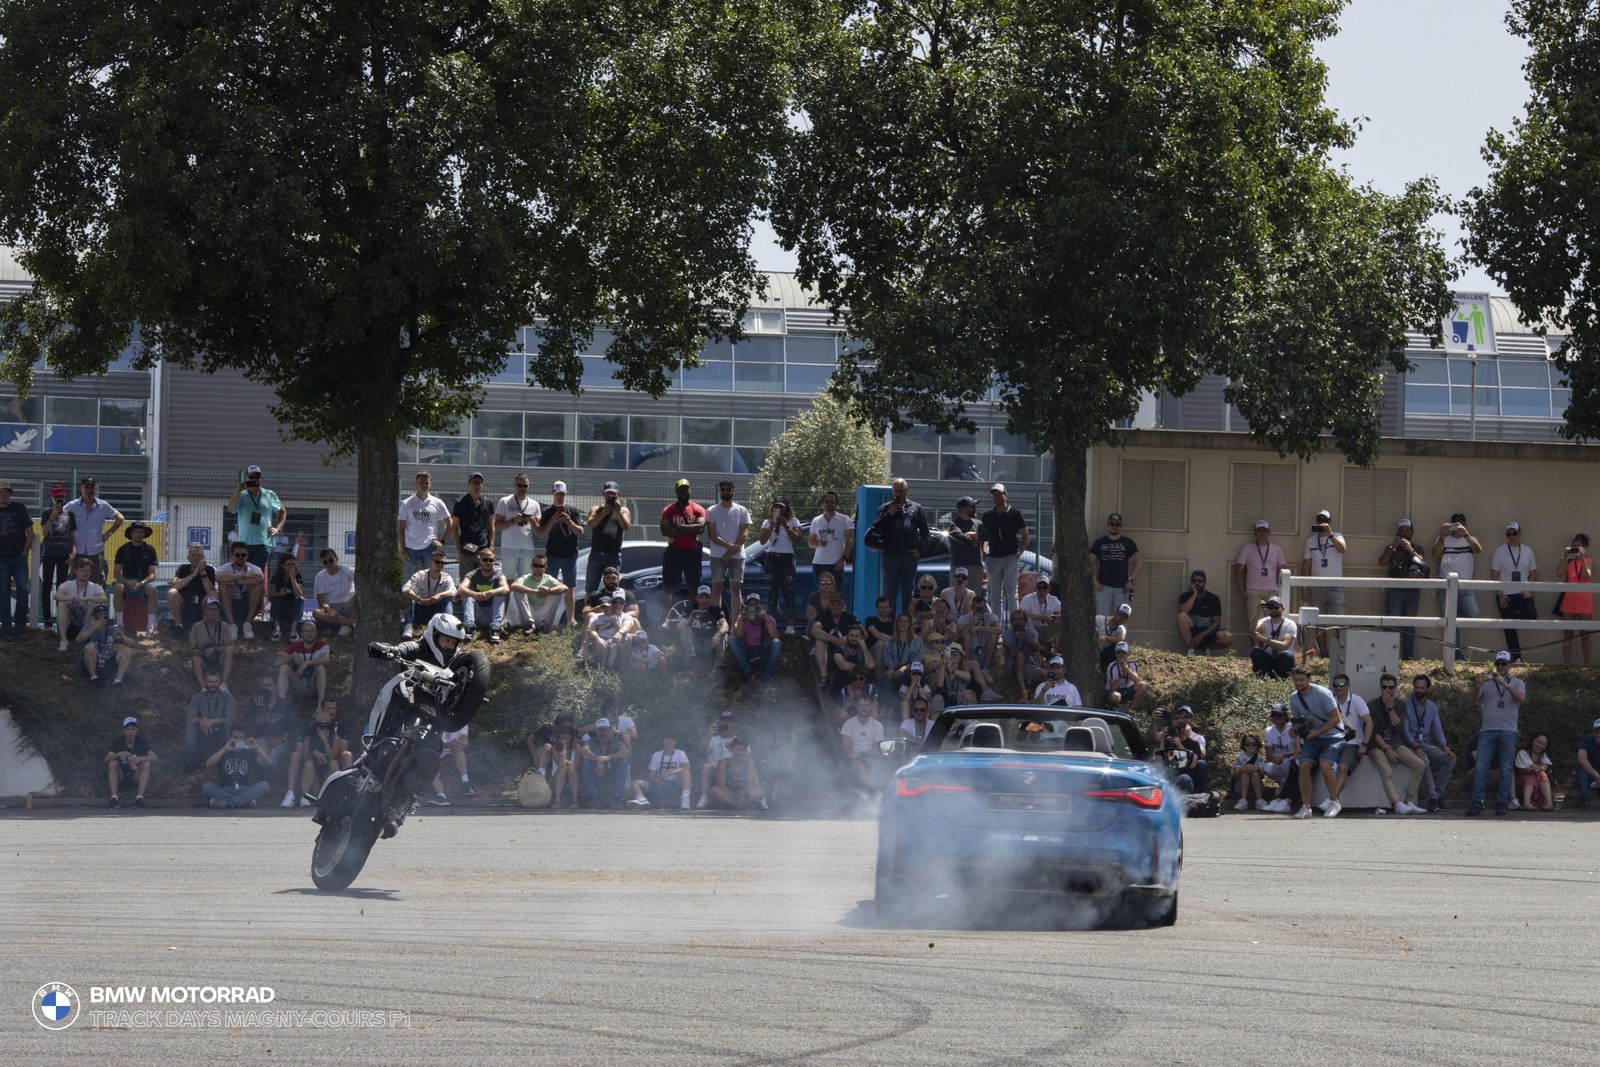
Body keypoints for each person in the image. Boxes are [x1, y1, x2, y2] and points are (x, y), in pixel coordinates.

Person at [1467, 651, 1526, 816]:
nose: (1500, 667)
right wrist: (1478, 684)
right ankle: (1477, 803)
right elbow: (1471, 699)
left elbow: (1521, 698)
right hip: (1487, 731)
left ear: (1510, 665)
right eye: (1498, 663)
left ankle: (1501, 803)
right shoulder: (1487, 683)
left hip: (1509, 731)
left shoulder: (1518, 682)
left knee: (1506, 768)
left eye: (1503, 663)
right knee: (1481, 768)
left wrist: (1505, 685)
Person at [396, 470, 450, 636]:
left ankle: (434, 623)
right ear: (416, 483)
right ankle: (408, 623)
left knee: (432, 584)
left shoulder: (437, 502)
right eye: (421, 482)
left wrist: (442, 542)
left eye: (426, 482)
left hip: (429, 549)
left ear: (430, 483)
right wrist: (402, 548)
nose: (424, 485)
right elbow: (401, 527)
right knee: (408, 585)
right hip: (411, 549)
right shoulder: (407, 503)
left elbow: (450, 522)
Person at [1366, 673, 1429, 814]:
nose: (1387, 690)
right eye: (1384, 687)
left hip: (1395, 742)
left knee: (1420, 764)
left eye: (1390, 687)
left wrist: (1390, 708)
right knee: (1387, 771)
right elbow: (1373, 732)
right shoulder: (1372, 705)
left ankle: (1408, 801)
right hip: (1377, 745)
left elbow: (1397, 726)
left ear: (1395, 688)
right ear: (1380, 687)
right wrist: (1386, 749)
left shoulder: (1401, 704)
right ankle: (1396, 803)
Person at [1289, 665, 1345, 819]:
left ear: (1309, 679)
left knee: (1325, 765)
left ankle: (1334, 801)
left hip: (1333, 735)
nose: (1298, 683)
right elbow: (1297, 721)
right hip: (1312, 737)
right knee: (1304, 766)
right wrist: (1294, 731)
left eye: (1301, 680)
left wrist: (1318, 732)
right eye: (1295, 680)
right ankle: (1306, 807)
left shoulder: (1323, 694)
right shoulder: (1294, 697)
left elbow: (1336, 718)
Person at [870, 477, 929, 615]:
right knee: (890, 591)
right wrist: (889, 514)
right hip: (890, 555)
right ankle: (889, 622)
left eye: (901, 490)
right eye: (896, 490)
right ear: (892, 491)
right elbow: (877, 528)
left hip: (909, 556)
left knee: (908, 592)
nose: (898, 493)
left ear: (907, 490)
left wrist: (920, 550)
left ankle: (906, 621)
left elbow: (925, 532)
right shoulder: (885, 508)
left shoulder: (916, 508)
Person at [494, 473, 544, 632]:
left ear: (529, 486)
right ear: (514, 485)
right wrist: (512, 521)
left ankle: (528, 621)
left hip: (527, 548)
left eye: (525, 485)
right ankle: (503, 618)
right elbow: (496, 525)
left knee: (525, 584)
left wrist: (531, 521)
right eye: (519, 485)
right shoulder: (505, 501)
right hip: (509, 547)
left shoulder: (534, 504)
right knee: (507, 583)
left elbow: (538, 531)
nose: (522, 488)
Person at [1431, 512, 1483, 661]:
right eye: (1454, 522)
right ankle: (1456, 655)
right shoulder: (1443, 539)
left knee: (1472, 614)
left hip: (1465, 584)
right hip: (1445, 583)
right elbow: (1435, 555)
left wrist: (1465, 534)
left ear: (1465, 524)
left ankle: (1453, 618)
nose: (1457, 525)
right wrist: (1442, 536)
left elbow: (1478, 550)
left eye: (1460, 522)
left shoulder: (1471, 539)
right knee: (1449, 620)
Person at [283, 700, 352, 808]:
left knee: (333, 763)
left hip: (326, 774)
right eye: (321, 726)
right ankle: (303, 796)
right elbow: (304, 757)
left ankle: (338, 795)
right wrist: (314, 753)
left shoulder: (335, 738)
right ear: (316, 726)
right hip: (313, 776)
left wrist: (325, 741)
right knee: (309, 763)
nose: (324, 729)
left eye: (327, 726)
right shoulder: (309, 737)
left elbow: (333, 756)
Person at [1403, 674, 1456, 811]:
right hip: (1410, 745)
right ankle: (1432, 798)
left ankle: (1437, 795)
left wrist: (1445, 747)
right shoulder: (1406, 705)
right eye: (1416, 687)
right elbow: (1405, 730)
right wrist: (1416, 746)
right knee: (1424, 760)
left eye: (1421, 688)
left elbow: (1437, 728)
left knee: (1450, 759)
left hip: (1425, 744)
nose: (1418, 690)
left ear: (1428, 689)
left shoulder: (1432, 707)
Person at [1378, 519, 1429, 661]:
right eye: (1401, 530)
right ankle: (1388, 656)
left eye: (1407, 530)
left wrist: (1410, 549)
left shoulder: (1418, 548)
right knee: (1391, 624)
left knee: (1409, 624)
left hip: (1412, 590)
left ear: (1412, 532)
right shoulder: (1391, 547)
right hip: (1394, 589)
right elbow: (1382, 562)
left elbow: (1422, 563)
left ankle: (1408, 656)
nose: (1404, 533)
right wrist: (1393, 547)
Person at [536, 481, 585, 624]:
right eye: (557, 494)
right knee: (549, 588)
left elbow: (580, 532)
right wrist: (552, 520)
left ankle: (571, 619)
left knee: (569, 588)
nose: (559, 497)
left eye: (562, 494)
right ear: (552, 493)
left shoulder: (573, 510)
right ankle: (545, 619)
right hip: (552, 555)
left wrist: (569, 522)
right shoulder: (546, 512)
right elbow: (541, 534)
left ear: (565, 494)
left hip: (569, 554)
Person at [1489, 521, 1538, 663]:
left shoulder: (1528, 551)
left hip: (1523, 593)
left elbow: (1533, 573)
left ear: (1519, 534)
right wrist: (1500, 593)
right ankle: (1517, 658)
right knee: (1509, 628)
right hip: (1506, 595)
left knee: (1531, 615)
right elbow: (1494, 574)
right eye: (1509, 534)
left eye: (1514, 533)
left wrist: (1529, 589)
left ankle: (1512, 618)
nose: (1512, 537)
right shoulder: (1499, 551)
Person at [1301, 509, 1347, 657]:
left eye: (1325, 520)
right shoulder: (1311, 541)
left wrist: (1330, 534)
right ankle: (1324, 654)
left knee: (1340, 620)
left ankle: (1340, 652)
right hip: (1317, 586)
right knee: (1319, 622)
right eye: (1319, 520)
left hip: (1335, 585)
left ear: (1330, 522)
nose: (1322, 523)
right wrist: (1304, 585)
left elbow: (1342, 549)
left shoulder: (1337, 536)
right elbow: (1306, 564)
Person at [659, 477, 707, 617]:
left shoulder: (697, 509)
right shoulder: (669, 510)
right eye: (680, 490)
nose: (683, 492)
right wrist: (689, 530)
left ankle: (694, 616)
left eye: (686, 489)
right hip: (674, 551)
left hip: (692, 552)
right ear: (676, 491)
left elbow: (700, 528)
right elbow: (664, 530)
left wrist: (677, 527)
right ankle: (664, 618)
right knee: (667, 586)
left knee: (693, 586)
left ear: (690, 491)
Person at [980, 483, 1030, 618]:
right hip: (993, 558)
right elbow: (984, 535)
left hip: (1010, 557)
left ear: (1006, 495)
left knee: (1012, 593)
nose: (996, 497)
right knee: (994, 594)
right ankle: (996, 626)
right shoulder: (988, 515)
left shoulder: (1015, 514)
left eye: (999, 494)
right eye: (994, 495)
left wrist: (1019, 553)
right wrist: (984, 552)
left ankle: (1016, 623)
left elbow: (1026, 537)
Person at [64, 475, 123, 584]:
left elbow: (120, 518)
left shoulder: (103, 505)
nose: (89, 490)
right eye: (86, 487)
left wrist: (108, 534)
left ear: (95, 489)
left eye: (91, 487)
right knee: (75, 582)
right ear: (81, 488)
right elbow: (60, 518)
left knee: (96, 582)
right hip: (77, 551)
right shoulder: (72, 505)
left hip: (96, 550)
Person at [226, 465, 286, 569]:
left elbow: (282, 512)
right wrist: (239, 489)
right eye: (251, 477)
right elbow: (231, 509)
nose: (255, 479)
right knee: (243, 572)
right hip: (244, 544)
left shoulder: (269, 494)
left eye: (257, 476)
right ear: (246, 478)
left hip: (263, 543)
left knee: (257, 573)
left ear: (261, 478)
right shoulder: (241, 495)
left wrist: (278, 528)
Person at [450, 471, 497, 601]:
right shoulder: (460, 502)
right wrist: (459, 548)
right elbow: (454, 526)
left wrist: (491, 546)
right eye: (474, 483)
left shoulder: (488, 502)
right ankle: (468, 612)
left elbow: (492, 526)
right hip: (466, 550)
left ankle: (482, 610)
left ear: (483, 485)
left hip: (483, 551)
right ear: (469, 484)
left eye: (479, 483)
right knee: (466, 584)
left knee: (483, 584)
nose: (476, 485)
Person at [706, 480, 751, 614]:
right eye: (723, 489)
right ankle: (718, 621)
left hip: (737, 556)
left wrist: (730, 552)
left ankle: (735, 623)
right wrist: (728, 546)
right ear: (719, 492)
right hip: (717, 556)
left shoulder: (742, 510)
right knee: (716, 590)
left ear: (733, 491)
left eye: (728, 489)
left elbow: (744, 534)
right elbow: (712, 535)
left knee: (736, 590)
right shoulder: (711, 511)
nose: (725, 492)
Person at [203, 724, 274, 809]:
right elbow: (208, 764)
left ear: (245, 738)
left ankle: (229, 803)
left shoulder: (249, 751)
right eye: (236, 737)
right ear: (230, 737)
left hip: (244, 789)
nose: (239, 740)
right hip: (226, 789)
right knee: (206, 787)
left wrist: (257, 747)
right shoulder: (224, 749)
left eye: (241, 737)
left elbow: (269, 763)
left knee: (264, 785)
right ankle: (243, 802)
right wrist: (225, 749)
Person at [757, 495, 801, 631]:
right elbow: (762, 541)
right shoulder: (767, 522)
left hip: (787, 558)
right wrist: (771, 525)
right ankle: (772, 624)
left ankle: (790, 626)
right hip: (772, 557)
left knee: (788, 590)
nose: (779, 510)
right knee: (772, 591)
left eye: (781, 507)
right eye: (776, 507)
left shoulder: (793, 521)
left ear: (786, 509)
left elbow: (798, 539)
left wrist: (785, 525)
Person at [244, 669, 297, 781]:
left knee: (273, 755)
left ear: (275, 686)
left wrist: (281, 739)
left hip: (282, 739)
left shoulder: (285, 704)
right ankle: (265, 782)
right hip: (263, 737)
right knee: (262, 755)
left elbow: (292, 728)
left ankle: (266, 782)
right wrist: (261, 709)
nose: (266, 688)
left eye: (269, 685)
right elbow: (259, 725)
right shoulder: (256, 704)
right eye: (263, 685)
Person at [1235, 520, 1287, 633]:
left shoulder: (1277, 549)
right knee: (1255, 625)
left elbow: (1283, 570)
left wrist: (1282, 591)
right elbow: (1239, 570)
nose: (1262, 533)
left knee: (1273, 623)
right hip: (1253, 591)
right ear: (1255, 532)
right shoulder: (1247, 548)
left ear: (1269, 532)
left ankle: (1270, 644)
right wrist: (1242, 589)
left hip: (1272, 591)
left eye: (1264, 530)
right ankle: (1256, 644)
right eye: (1259, 530)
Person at [0, 478, 34, 641]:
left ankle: (21, 627)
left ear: (10, 494)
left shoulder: (19, 508)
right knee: (3, 592)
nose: (3, 494)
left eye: (5, 491)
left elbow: (31, 533)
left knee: (23, 590)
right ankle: (6, 627)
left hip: (19, 557)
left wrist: (24, 552)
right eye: (0, 491)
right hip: (1, 559)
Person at [37, 483, 74, 634]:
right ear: (51, 498)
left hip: (64, 554)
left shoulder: (70, 514)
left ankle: (61, 621)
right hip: (49, 553)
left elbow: (72, 535)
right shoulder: (46, 513)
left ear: (65, 497)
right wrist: (52, 516)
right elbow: (44, 533)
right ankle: (47, 621)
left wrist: (73, 552)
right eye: (56, 497)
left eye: (61, 497)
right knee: (46, 586)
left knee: (62, 587)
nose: (59, 500)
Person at [1090, 512, 1141, 617]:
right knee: (1101, 618)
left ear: (1120, 526)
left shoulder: (1128, 542)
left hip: (1122, 588)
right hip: (1103, 587)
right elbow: (1088, 561)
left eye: (1117, 524)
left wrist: (1130, 580)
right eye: (1111, 524)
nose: (1114, 526)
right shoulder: (1100, 542)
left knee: (1121, 618)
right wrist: (1095, 581)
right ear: (1107, 525)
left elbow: (1138, 562)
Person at [1329, 673, 1370, 800]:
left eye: (1341, 684)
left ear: (1348, 685)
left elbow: (1369, 723)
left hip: (1352, 744)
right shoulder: (1330, 702)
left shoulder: (1357, 701)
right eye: (1335, 685)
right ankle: (1333, 802)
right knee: (1324, 766)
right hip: (1333, 743)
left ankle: (1332, 799)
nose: (1338, 687)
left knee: (1343, 767)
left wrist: (1364, 744)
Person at [185, 669, 236, 771]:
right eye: (210, 682)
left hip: (221, 730)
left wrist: (213, 721)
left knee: (229, 725)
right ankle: (191, 760)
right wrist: (202, 720)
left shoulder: (227, 697)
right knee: (190, 726)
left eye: (216, 682)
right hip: (204, 731)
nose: (213, 685)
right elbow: (190, 718)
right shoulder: (197, 697)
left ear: (220, 682)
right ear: (205, 682)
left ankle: (230, 758)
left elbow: (230, 718)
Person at [585, 480, 631, 592]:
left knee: (612, 587)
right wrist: (603, 512)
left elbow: (625, 526)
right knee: (590, 589)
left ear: (618, 494)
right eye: (608, 493)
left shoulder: (623, 510)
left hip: (613, 555)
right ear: (603, 494)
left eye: (613, 493)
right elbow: (591, 524)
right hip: (596, 554)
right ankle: (589, 604)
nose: (610, 496)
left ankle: (612, 603)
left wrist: (618, 512)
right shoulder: (596, 509)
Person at [626, 733, 694, 809]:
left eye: (672, 739)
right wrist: (656, 780)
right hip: (659, 785)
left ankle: (685, 800)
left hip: (675, 784)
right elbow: (651, 776)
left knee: (686, 773)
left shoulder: (680, 753)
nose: (669, 741)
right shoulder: (656, 755)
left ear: (675, 741)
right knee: (635, 783)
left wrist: (670, 772)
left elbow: (688, 767)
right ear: (662, 741)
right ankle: (642, 800)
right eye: (667, 739)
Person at [455, 547, 509, 642]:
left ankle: (495, 629)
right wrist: (475, 594)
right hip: (477, 614)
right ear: (480, 560)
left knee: (500, 594)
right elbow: (461, 589)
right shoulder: (472, 574)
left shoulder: (499, 574)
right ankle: (469, 627)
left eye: (490, 560)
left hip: (492, 614)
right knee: (467, 594)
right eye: (485, 560)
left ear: (494, 561)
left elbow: (506, 588)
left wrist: (491, 592)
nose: (488, 562)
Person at [54, 556, 106, 652]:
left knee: (96, 604)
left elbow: (104, 599)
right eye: (82, 570)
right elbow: (56, 595)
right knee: (62, 604)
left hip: (87, 625)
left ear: (91, 572)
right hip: (69, 626)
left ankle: (92, 640)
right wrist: (74, 598)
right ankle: (63, 640)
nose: (85, 573)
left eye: (87, 571)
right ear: (76, 570)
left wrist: (86, 599)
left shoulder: (95, 586)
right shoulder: (68, 584)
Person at [215, 541, 265, 640]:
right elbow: (218, 577)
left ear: (247, 556)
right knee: (223, 586)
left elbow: (260, 578)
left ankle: (247, 624)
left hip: (248, 604)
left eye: (243, 555)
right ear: (232, 556)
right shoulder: (225, 567)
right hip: (230, 604)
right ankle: (232, 625)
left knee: (257, 586)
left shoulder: (253, 568)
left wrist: (235, 582)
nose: (240, 557)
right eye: (237, 555)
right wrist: (243, 575)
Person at [164, 543, 216, 640]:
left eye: (199, 556)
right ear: (188, 558)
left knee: (214, 595)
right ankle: (179, 626)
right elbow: (174, 585)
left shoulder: (209, 569)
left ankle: (204, 629)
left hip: (202, 603)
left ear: (203, 557)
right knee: (171, 593)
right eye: (193, 555)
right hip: (184, 602)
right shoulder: (183, 568)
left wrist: (202, 573)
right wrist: (193, 575)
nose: (196, 558)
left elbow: (211, 591)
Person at [1176, 569, 1233, 656]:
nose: (1197, 583)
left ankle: (1207, 649)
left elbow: (1217, 622)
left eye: (1200, 581)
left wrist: (1202, 635)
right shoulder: (1185, 596)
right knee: (1181, 616)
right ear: (1191, 582)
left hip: (1207, 632)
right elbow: (1183, 611)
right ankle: (1191, 650)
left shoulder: (1213, 598)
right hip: (1192, 630)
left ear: (1205, 582)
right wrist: (1194, 594)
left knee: (1228, 637)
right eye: (1194, 581)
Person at [508, 552, 568, 634]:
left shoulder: (548, 578)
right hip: (529, 614)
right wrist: (534, 591)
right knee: (518, 592)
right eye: (536, 565)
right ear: (531, 566)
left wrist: (549, 591)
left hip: (544, 615)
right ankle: (530, 624)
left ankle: (543, 626)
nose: (538, 568)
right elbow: (513, 586)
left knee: (557, 593)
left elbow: (564, 587)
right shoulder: (526, 578)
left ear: (545, 568)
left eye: (541, 566)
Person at [729, 593, 782, 685]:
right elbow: (738, 637)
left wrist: (766, 619)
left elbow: (776, 637)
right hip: (748, 652)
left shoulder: (769, 618)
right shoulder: (742, 619)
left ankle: (768, 676)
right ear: (747, 607)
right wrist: (741, 620)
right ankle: (748, 672)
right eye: (750, 605)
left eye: (756, 604)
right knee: (731, 640)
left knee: (777, 643)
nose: (753, 607)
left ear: (761, 605)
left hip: (764, 652)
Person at [840, 701, 888, 801]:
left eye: (867, 705)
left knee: (872, 767)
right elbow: (845, 747)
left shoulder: (878, 725)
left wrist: (866, 755)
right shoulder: (849, 724)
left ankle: (866, 794)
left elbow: (877, 749)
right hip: (854, 757)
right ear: (856, 707)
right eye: (861, 705)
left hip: (870, 756)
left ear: (871, 707)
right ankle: (875, 792)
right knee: (860, 767)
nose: (864, 708)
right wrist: (854, 755)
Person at [579, 717, 632, 808]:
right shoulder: (591, 742)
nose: (602, 733)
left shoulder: (616, 742)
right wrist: (598, 760)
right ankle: (594, 798)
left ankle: (617, 798)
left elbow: (626, 753)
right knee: (585, 762)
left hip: (612, 775)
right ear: (596, 731)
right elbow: (584, 751)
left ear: (610, 731)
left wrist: (608, 757)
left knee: (623, 761)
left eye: (604, 730)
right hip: (596, 775)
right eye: (600, 730)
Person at [1557, 533, 1593, 665]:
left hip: (1584, 601)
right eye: (1574, 546)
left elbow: (1586, 576)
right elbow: (1558, 573)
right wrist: (1565, 556)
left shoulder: (1589, 560)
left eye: (1579, 546)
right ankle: (1566, 663)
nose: (1576, 549)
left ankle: (1587, 664)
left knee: (1585, 634)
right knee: (1568, 633)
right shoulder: (1570, 562)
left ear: (1585, 547)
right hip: (1569, 601)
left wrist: (1582, 560)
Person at [105, 716, 156, 808]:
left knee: (147, 763)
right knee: (112, 763)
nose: (131, 732)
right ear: (124, 731)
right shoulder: (118, 742)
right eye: (128, 729)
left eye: (133, 729)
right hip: (121, 775)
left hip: (136, 775)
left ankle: (139, 798)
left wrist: (140, 758)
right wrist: (118, 754)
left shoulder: (141, 742)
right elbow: (106, 759)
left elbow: (154, 757)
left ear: (137, 730)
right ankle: (114, 798)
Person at [76, 604, 133, 686]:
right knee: (90, 646)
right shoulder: (88, 628)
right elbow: (78, 640)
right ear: (94, 618)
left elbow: (132, 644)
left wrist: (122, 638)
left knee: (128, 650)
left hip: (106, 664)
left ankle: (117, 681)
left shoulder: (112, 629)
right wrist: (94, 627)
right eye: (99, 617)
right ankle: (93, 678)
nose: (102, 620)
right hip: (90, 665)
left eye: (105, 617)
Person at [808, 490, 854, 591]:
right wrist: (819, 542)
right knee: (821, 594)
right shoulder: (816, 520)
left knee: (836, 594)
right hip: (819, 564)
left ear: (836, 504)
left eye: (832, 502)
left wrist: (843, 559)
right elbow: (810, 543)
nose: (829, 504)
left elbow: (850, 542)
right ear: (823, 503)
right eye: (827, 501)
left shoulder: (845, 519)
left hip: (836, 564)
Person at [402, 549, 457, 632]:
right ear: (431, 562)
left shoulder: (446, 577)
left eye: (443, 563)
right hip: (421, 608)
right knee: (406, 597)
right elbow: (405, 589)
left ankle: (446, 628)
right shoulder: (420, 575)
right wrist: (419, 599)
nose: (440, 564)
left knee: (447, 600)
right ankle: (408, 626)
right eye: (437, 562)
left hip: (436, 611)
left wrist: (439, 595)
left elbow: (453, 591)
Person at [187, 597, 235, 691]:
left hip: (218, 657)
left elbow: (231, 645)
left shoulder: (224, 626)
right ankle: (203, 688)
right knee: (195, 659)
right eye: (210, 609)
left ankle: (224, 684)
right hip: (204, 659)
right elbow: (190, 649)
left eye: (216, 609)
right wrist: (203, 653)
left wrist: (216, 649)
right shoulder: (197, 626)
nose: (213, 612)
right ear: (205, 610)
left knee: (230, 650)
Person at [277, 620, 330, 704]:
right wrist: (292, 656)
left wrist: (307, 663)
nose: (309, 634)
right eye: (306, 631)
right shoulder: (295, 646)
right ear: (301, 633)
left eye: (312, 631)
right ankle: (281, 703)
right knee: (284, 668)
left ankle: (321, 705)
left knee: (320, 668)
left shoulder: (322, 645)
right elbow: (277, 662)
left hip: (312, 684)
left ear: (316, 633)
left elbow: (326, 660)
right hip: (297, 683)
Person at [678, 585, 729, 669]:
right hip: (695, 643)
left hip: (710, 643)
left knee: (723, 633)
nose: (705, 600)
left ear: (711, 598)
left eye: (707, 597)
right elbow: (679, 626)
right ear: (697, 598)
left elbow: (725, 625)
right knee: (685, 629)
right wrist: (690, 618)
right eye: (702, 597)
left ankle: (719, 666)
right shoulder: (690, 608)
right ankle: (691, 659)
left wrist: (718, 634)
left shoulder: (715, 609)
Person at [696, 711, 739, 809]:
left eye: (729, 721)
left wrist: (734, 750)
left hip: (734, 774)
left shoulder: (738, 740)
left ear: (734, 725)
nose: (726, 723)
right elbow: (701, 750)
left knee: (751, 763)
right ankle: (704, 797)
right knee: (707, 766)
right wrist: (709, 734)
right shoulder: (713, 739)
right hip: (716, 773)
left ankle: (759, 798)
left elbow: (748, 756)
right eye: (723, 721)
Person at [710, 736, 766, 810]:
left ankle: (741, 804)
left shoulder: (750, 763)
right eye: (736, 750)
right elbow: (721, 786)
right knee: (714, 790)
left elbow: (751, 785)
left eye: (742, 750)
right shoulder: (724, 763)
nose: (739, 753)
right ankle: (739, 805)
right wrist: (734, 795)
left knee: (760, 791)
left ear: (746, 750)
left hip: (745, 795)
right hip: (729, 794)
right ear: (732, 749)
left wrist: (744, 792)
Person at [1262, 704, 1300, 813]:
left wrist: (1284, 754)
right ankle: (1283, 786)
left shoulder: (1292, 728)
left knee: (1294, 765)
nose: (1276, 717)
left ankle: (1284, 795)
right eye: (1273, 715)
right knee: (1268, 767)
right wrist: (1276, 758)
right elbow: (1269, 754)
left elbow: (1299, 750)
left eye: (1279, 714)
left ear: (1285, 716)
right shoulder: (1269, 731)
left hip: (1291, 759)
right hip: (1276, 760)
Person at [311, 549, 356, 636]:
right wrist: (329, 610)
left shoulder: (347, 570)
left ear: (336, 558)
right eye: (325, 562)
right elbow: (322, 602)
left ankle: (346, 625)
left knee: (360, 597)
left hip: (350, 606)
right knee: (316, 613)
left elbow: (358, 576)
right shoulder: (319, 577)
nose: (328, 563)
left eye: (331, 560)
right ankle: (350, 623)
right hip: (332, 607)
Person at [1250, 596, 1297, 678]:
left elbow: (1283, 646)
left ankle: (1284, 678)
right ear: (1267, 609)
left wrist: (1263, 638)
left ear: (1282, 609)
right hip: (1268, 658)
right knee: (1256, 652)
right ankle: (1262, 677)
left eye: (1276, 607)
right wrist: (1258, 612)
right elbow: (1252, 630)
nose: (1273, 610)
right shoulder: (1263, 621)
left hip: (1282, 658)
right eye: (1270, 607)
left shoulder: (1290, 624)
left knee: (1286, 655)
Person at [1003, 609, 1045, 696]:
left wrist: (1025, 641)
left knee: (1044, 676)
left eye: (1020, 619)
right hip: (1012, 666)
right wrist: (1032, 653)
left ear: (1025, 621)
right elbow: (1012, 653)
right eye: (1014, 619)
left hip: (1030, 665)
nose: (1017, 622)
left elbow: (1037, 647)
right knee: (1020, 656)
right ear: (1011, 622)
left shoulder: (1031, 632)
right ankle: (1023, 691)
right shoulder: (1007, 634)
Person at [947, 497, 984, 593]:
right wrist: (978, 536)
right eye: (972, 506)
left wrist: (974, 534)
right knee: (957, 595)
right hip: (959, 566)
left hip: (976, 567)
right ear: (964, 508)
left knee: (974, 597)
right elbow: (963, 539)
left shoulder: (978, 523)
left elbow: (988, 535)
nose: (975, 509)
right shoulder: (953, 524)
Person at [264, 552, 305, 642]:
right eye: (288, 565)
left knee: (300, 600)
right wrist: (279, 593)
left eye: (293, 564)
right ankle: (277, 629)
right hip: (280, 608)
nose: (291, 567)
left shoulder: (298, 577)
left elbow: (299, 594)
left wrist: (293, 579)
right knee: (276, 599)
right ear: (282, 566)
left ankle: (293, 630)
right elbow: (270, 595)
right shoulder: (276, 578)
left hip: (293, 609)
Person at [1514, 733, 1554, 812]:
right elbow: (1520, 770)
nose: (1540, 746)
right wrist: (1529, 770)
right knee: (1530, 776)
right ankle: (1526, 803)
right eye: (1538, 742)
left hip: (1537, 783)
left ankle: (1549, 803)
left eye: (1543, 744)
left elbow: (1544, 767)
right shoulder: (1523, 753)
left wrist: (1539, 768)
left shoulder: (1544, 755)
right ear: (1533, 741)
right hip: (1521, 783)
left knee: (1542, 774)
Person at [1019, 576, 1061, 648]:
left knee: (1064, 622)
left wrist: (1052, 617)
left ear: (1049, 589)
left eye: (1044, 587)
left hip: (1048, 629)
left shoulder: (1054, 600)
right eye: (1039, 587)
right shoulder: (1028, 598)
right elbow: (1022, 613)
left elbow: (1062, 613)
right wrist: (1044, 618)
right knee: (1027, 620)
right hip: (1033, 629)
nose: (1042, 589)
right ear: (1036, 588)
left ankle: (1058, 648)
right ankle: (1035, 646)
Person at [1103, 642, 1147, 708]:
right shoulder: (1112, 666)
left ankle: (1131, 708)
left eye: (1124, 653)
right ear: (1115, 654)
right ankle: (1115, 709)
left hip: (1126, 689)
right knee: (1115, 696)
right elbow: (1113, 688)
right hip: (1113, 692)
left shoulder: (1133, 664)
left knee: (1144, 685)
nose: (1121, 656)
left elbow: (1138, 682)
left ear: (1128, 654)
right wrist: (1123, 676)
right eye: (1118, 653)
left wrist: (1127, 669)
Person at [1231, 735, 1268, 811]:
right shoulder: (1239, 757)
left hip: (1256, 787)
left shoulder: (1260, 758)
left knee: (1255, 773)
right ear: (1244, 746)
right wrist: (1242, 769)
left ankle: (1259, 800)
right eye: (1248, 744)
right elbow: (1235, 776)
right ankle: (1243, 800)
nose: (1250, 746)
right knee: (1245, 773)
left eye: (1253, 744)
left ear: (1257, 746)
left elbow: (1262, 776)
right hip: (1241, 787)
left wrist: (1257, 769)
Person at [1093, 603, 1132, 668]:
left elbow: (1120, 638)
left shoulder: (1121, 629)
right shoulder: (1099, 619)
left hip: (1102, 656)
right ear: (1115, 612)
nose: (1122, 618)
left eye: (1125, 617)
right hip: (1090, 650)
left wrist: (1105, 638)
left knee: (1121, 645)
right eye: (1120, 615)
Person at [1575, 719, 1600, 810]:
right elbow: (1581, 759)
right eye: (1596, 732)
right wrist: (1596, 776)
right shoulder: (1586, 743)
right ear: (1593, 732)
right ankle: (1585, 798)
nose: (1599, 735)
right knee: (1581, 767)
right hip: (1590, 775)